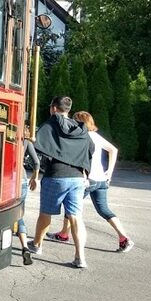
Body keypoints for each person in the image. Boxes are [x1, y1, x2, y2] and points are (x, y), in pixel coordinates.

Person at [46, 112, 134, 252]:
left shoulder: (82, 136)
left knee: (71, 206)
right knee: (104, 210)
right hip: (101, 179)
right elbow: (113, 150)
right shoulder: (95, 136)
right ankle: (124, 238)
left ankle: (64, 234)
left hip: (88, 179)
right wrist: (109, 171)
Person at [28, 96, 94, 269]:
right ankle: (80, 257)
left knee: (46, 213)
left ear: (54, 108)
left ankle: (36, 245)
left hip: (56, 176)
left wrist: (35, 172)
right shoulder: (80, 128)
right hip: (78, 177)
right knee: (76, 217)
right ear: (68, 110)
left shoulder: (50, 124)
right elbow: (91, 148)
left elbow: (36, 144)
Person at [17, 126, 40, 265]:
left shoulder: (7, 138)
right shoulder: (26, 141)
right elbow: (36, 162)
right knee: (19, 215)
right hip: (22, 179)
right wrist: (34, 178)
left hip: (8, 179)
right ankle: (25, 246)